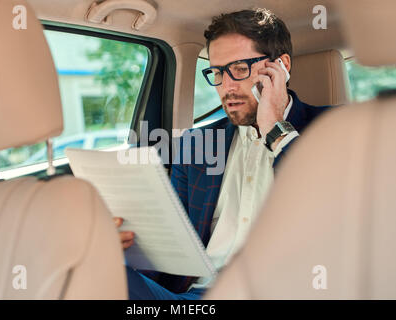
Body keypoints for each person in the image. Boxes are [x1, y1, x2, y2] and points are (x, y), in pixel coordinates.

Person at [116, 8, 332, 299]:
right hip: (194, 297)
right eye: (217, 72)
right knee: (98, 266)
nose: (226, 87)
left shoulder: (337, 129)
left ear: (280, 67)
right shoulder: (196, 143)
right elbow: (173, 253)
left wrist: (275, 130)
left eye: (240, 69)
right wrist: (128, 249)